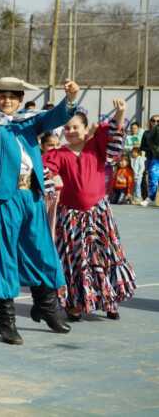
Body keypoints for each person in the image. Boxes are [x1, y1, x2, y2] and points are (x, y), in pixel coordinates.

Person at [0, 76, 78, 345]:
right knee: (2, 258)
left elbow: (55, 117)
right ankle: (6, 321)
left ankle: (46, 306)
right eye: (2, 96)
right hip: (2, 198)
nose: (7, 101)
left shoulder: (30, 121)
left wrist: (70, 98)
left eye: (13, 97)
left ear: (21, 100)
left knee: (41, 251)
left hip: (31, 196)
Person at [43, 100, 136, 320]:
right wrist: (47, 184)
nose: (71, 131)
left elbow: (114, 138)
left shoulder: (96, 146)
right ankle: (76, 303)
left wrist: (121, 112)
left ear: (86, 129)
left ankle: (110, 300)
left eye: (75, 127)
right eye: (67, 128)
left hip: (99, 214)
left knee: (105, 256)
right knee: (76, 260)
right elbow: (44, 172)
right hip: (71, 217)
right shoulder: (58, 154)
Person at [40, 132, 63, 235]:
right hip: (47, 199)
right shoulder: (40, 161)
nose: (55, 148)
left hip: (60, 202)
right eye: (50, 145)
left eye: (57, 144)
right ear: (42, 146)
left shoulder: (62, 159)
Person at [140, 117, 159, 207]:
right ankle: (151, 198)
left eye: (158, 121)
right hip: (153, 158)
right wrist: (155, 149)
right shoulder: (150, 132)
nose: (155, 122)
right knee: (153, 177)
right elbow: (148, 142)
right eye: (153, 120)